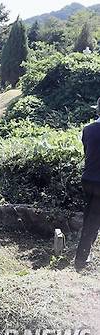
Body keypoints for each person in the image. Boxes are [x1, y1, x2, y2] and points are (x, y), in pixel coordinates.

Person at [75, 98, 100, 269]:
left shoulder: (88, 129)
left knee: (91, 217)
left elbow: (87, 152)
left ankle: (86, 251)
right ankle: (81, 258)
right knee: (92, 220)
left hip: (88, 179)